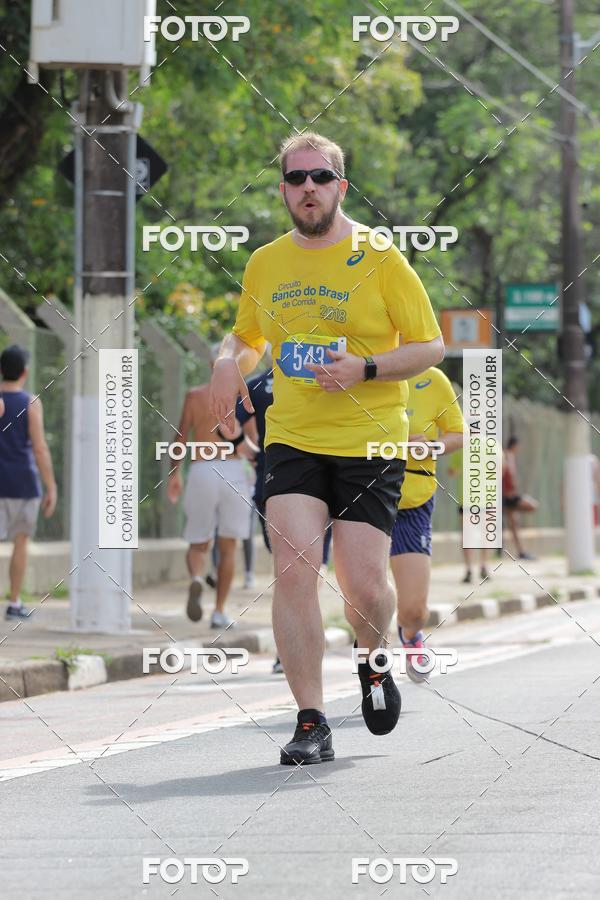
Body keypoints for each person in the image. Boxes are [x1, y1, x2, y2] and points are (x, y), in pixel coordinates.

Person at [209, 131, 444, 765]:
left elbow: (429, 347)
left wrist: (365, 369)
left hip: (370, 437)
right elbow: (246, 337)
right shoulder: (265, 262)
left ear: (341, 186)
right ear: (283, 189)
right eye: (295, 179)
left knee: (364, 587)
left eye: (319, 177)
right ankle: (310, 720)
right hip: (293, 437)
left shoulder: (381, 256)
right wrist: (227, 360)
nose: (307, 188)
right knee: (294, 569)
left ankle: (373, 662)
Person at [234, 348, 333, 674]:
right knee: (308, 570)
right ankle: (297, 643)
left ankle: (292, 647)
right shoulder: (318, 379)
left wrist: (249, 451)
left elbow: (226, 424)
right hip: (321, 480)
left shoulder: (257, 383)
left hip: (274, 483)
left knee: (289, 570)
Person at [167, 352, 253, 629]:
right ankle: (219, 611)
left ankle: (195, 578)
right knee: (228, 546)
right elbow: (252, 442)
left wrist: (174, 474)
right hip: (233, 471)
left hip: (202, 469)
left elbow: (180, 437)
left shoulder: (195, 395)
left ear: (209, 366)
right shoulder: (243, 397)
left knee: (198, 541)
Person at [389, 368, 463, 682]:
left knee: (415, 611)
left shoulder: (433, 379)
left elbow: (458, 432)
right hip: (362, 497)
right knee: (368, 598)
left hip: (412, 503)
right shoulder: (358, 372)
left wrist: (430, 447)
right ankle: (373, 670)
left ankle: (410, 637)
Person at [0, 345, 57, 619]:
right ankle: (14, 603)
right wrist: (51, 486)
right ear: (25, 371)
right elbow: (40, 448)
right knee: (20, 543)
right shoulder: (30, 402)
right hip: (23, 483)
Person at [447, 448, 491, 583]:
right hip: (486, 497)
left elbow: (452, 472)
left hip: (466, 498)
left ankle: (469, 569)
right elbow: (501, 468)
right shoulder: (491, 445)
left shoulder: (460, 447)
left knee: (467, 534)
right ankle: (484, 566)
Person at [502, 436, 538, 560]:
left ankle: (521, 551)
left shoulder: (509, 455)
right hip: (508, 495)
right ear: (514, 445)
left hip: (509, 494)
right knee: (532, 506)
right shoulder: (507, 455)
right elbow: (507, 473)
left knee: (514, 524)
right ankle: (521, 551)